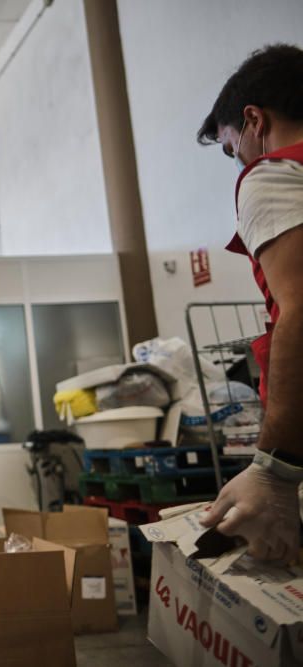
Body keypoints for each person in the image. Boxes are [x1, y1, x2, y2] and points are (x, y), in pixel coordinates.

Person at [197, 44, 303, 564]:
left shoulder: (272, 175)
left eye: (230, 148)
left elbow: (301, 308)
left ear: (255, 121)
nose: (238, 160)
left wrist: (275, 468)